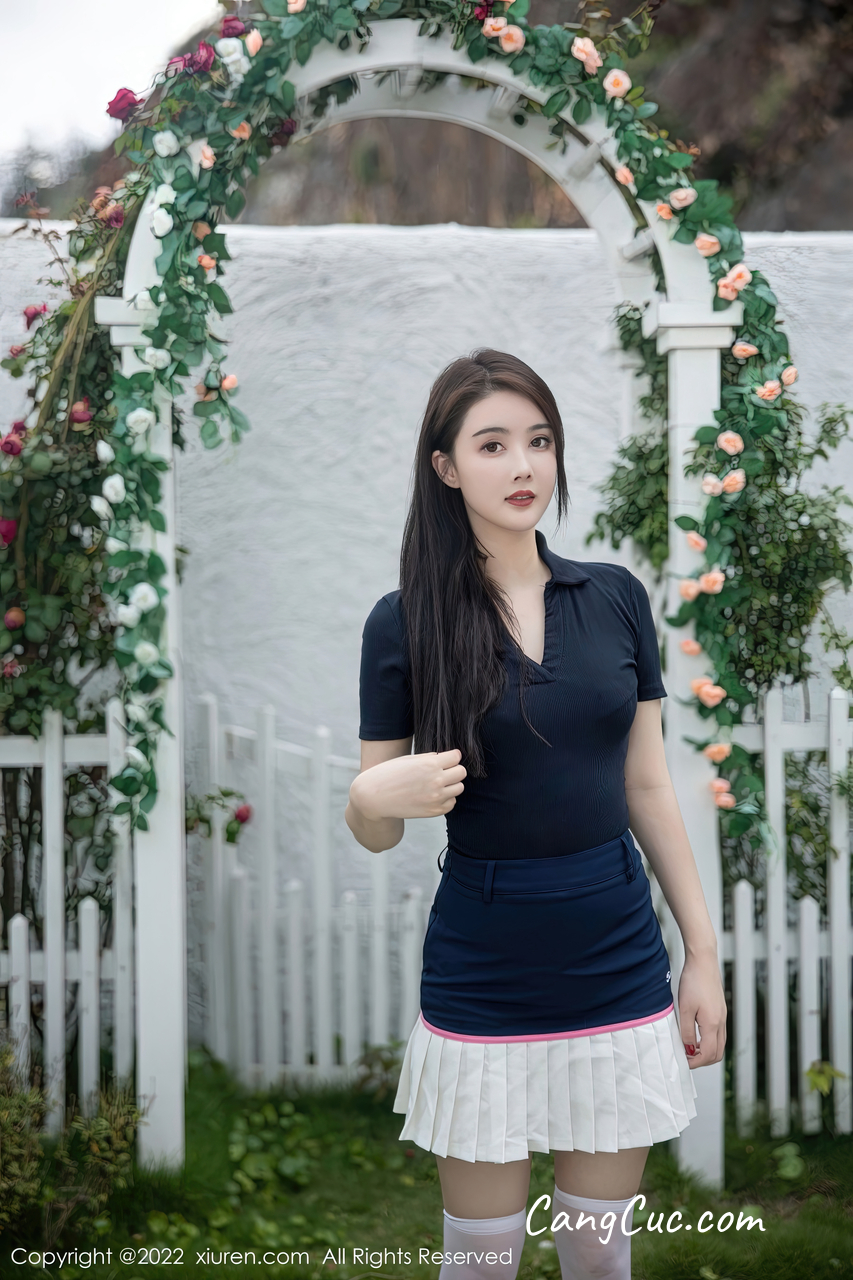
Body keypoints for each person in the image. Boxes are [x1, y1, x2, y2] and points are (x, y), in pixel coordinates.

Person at [345, 349, 727, 1280]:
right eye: (492, 445)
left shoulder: (615, 598)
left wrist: (701, 954)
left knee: (598, 1254)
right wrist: (366, 799)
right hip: (484, 966)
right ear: (445, 467)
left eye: (539, 441)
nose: (523, 466)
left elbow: (645, 786)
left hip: (616, 955)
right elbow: (379, 823)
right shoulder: (403, 622)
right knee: (481, 1263)